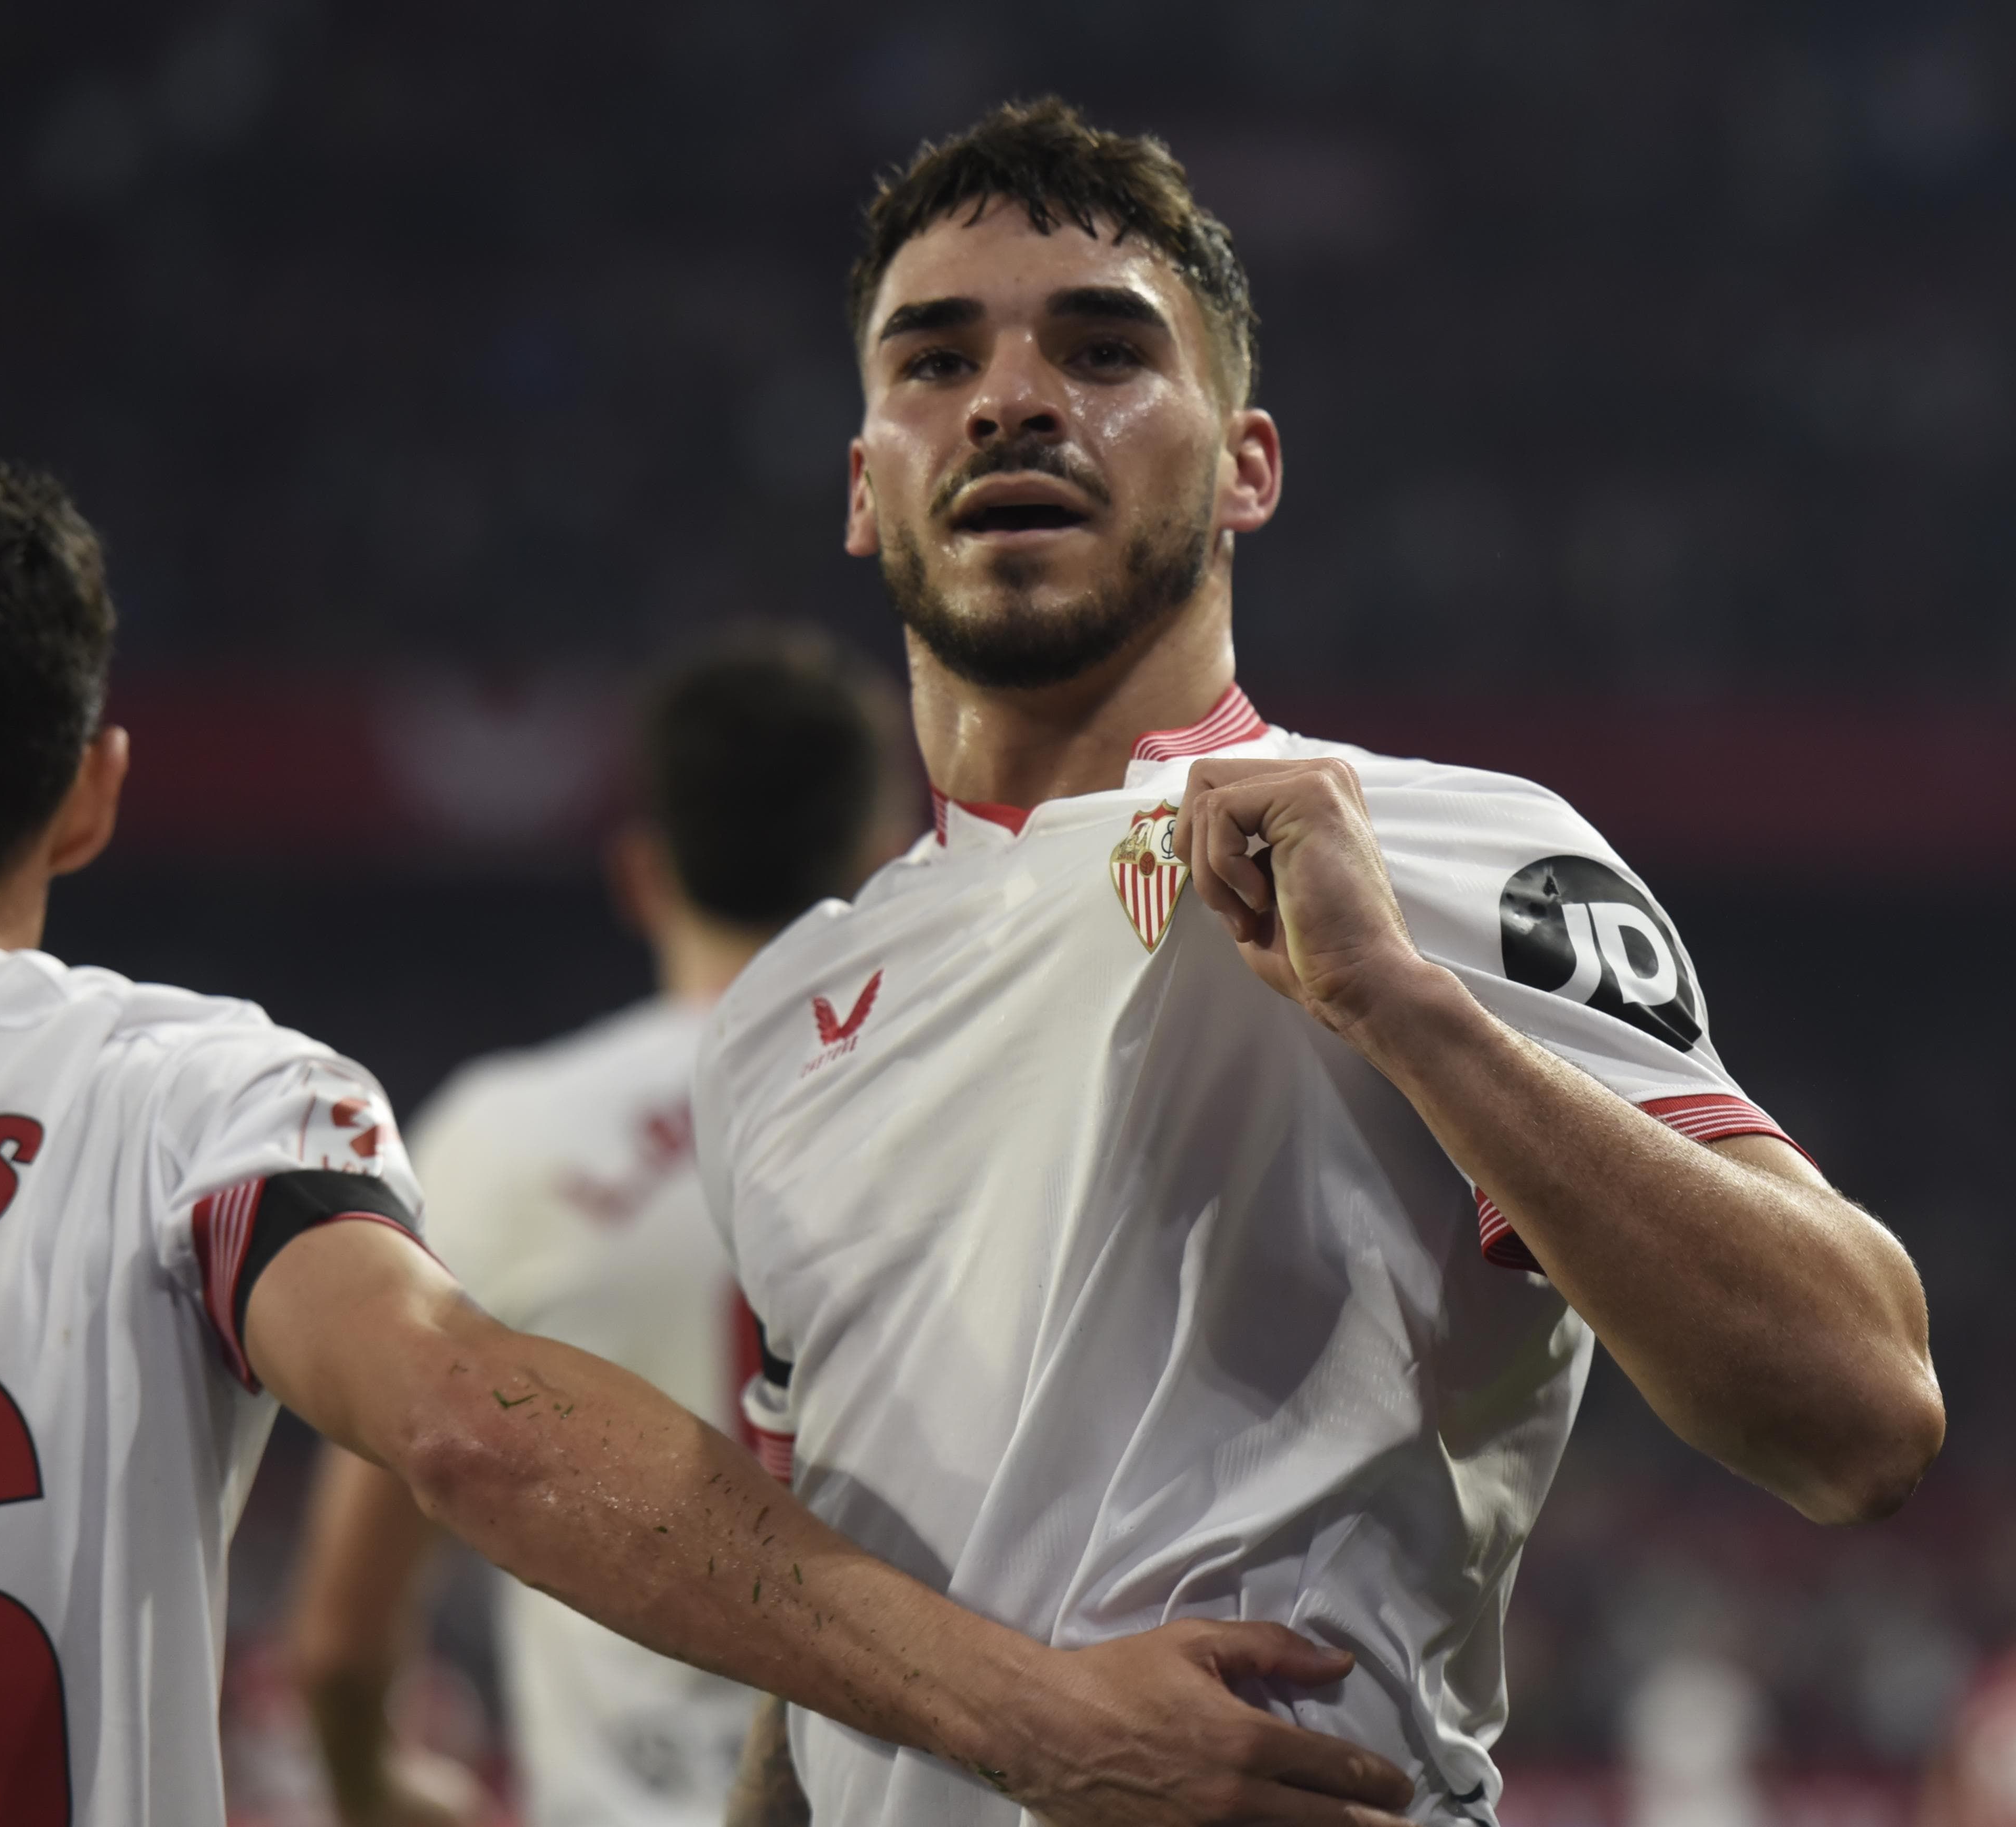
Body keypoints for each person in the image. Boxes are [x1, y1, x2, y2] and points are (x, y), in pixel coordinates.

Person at [0, 445, 1424, 1826]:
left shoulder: (499, 1120)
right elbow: (471, 1426)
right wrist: (1050, 1716)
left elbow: (356, 1614)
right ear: (92, 792)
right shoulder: (191, 1100)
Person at [695, 99, 1948, 1825]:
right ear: (864, 488)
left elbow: (1863, 1407)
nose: (1008, 397)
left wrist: (1401, 1001)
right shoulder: (775, 1027)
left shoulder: (1443, 851)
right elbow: (816, 1646)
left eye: (1105, 347)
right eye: (932, 361)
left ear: (1246, 466)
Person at [287, 634, 916, 1827]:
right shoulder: (970, 1104)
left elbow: (339, 1639)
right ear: (881, 859)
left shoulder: (500, 1136)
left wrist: (375, 1793)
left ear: (642, 873)